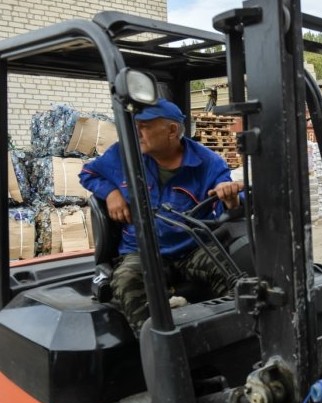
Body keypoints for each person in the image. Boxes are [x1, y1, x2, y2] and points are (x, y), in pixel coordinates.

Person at [79, 98, 243, 333]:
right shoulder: (123, 155)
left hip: (192, 248)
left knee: (237, 274)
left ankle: (228, 337)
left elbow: (226, 196)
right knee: (125, 280)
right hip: (142, 249)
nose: (136, 132)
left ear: (172, 130)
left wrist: (230, 197)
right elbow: (88, 173)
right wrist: (111, 192)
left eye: (144, 126)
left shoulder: (208, 162)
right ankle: (157, 347)